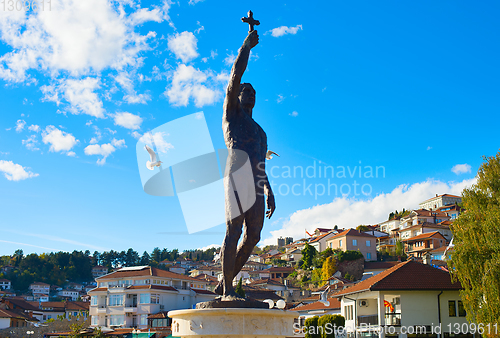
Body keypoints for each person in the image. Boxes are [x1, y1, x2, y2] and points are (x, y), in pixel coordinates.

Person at [216, 30, 275, 298]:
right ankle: (228, 288)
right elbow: (234, 76)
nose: (250, 93)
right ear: (237, 96)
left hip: (256, 183)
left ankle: (224, 280)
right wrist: (246, 46)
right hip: (237, 178)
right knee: (234, 230)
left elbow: (261, 163)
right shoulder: (232, 116)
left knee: (254, 237)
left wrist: (269, 191)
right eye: (245, 91)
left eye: (253, 92)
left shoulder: (261, 132)